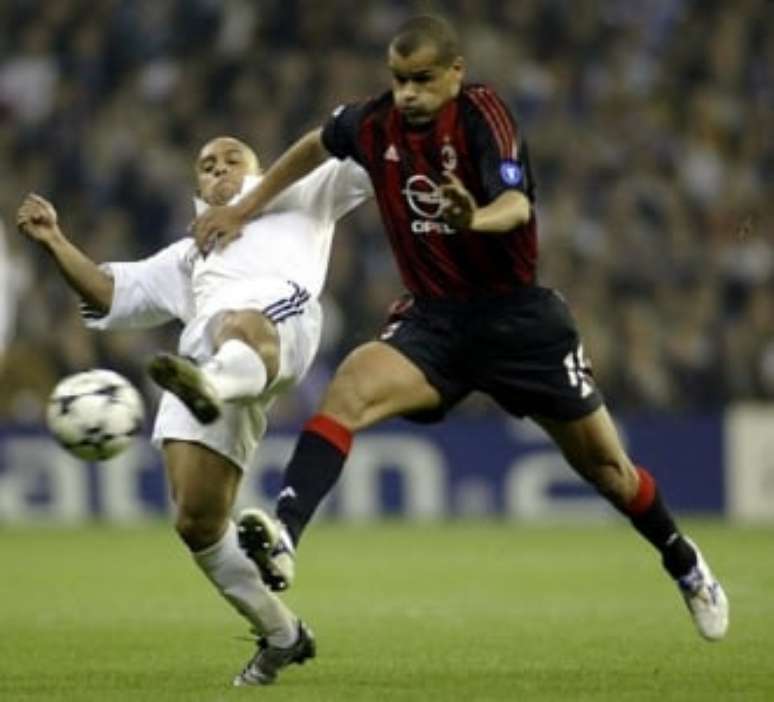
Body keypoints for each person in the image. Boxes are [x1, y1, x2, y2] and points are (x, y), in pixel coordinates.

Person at [193, 16, 729, 642]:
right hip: (434, 320)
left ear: (455, 72)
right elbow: (317, 142)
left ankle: (683, 562)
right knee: (350, 389)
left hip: (517, 318)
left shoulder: (483, 115)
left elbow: (519, 204)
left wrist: (474, 216)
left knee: (610, 472)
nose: (408, 94)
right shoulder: (373, 124)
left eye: (422, 80)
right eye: (399, 81)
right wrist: (243, 206)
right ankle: (285, 535)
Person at [15, 135, 372, 686]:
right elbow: (111, 294)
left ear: (256, 168)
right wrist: (55, 240)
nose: (220, 168)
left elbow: (370, 156)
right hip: (205, 356)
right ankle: (282, 635)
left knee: (245, 322)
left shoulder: (299, 190)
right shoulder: (188, 255)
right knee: (197, 520)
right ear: (197, 187)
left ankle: (212, 382)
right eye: (207, 166)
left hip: (280, 321)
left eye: (233, 159)